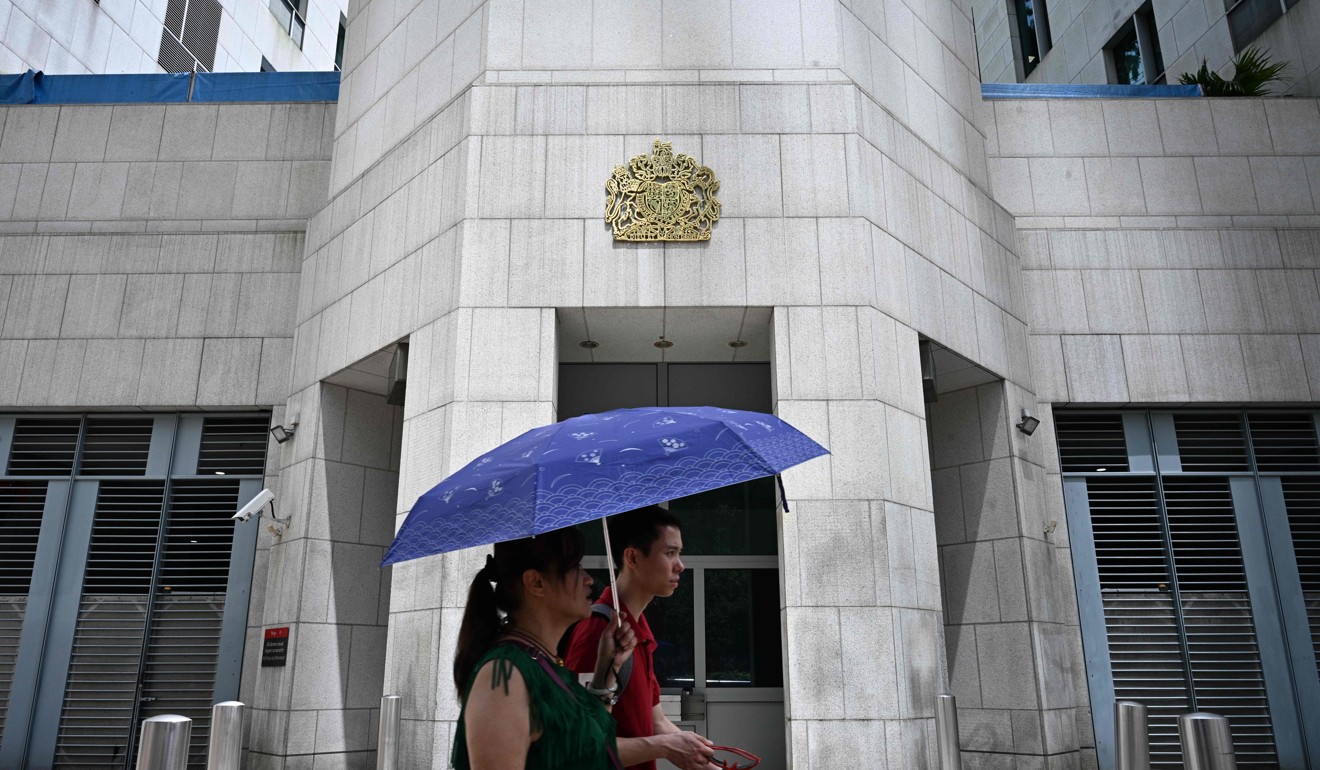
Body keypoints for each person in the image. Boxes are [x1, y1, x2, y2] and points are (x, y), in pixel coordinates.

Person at [452, 527, 636, 770]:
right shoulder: (504, 676)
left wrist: (607, 666)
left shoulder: (544, 661)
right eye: (574, 567)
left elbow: (588, 744)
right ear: (536, 582)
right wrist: (662, 745)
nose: (588, 578)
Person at [564, 506, 717, 770]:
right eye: (670, 553)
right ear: (633, 558)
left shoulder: (637, 629)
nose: (681, 565)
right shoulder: (598, 634)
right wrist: (667, 746)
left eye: (679, 553)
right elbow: (578, 743)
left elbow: (655, 721)